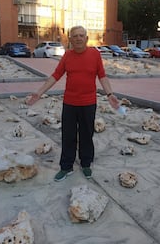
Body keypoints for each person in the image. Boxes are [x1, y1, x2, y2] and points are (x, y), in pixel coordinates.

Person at [26, 25, 120, 182]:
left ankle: (86, 164)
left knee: (86, 135)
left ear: (86, 38)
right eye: (75, 36)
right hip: (70, 103)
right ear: (70, 39)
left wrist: (110, 94)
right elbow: (56, 75)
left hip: (89, 103)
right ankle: (66, 166)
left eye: (81, 35)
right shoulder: (67, 56)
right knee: (68, 136)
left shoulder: (95, 55)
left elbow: (102, 76)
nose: (78, 38)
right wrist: (39, 92)